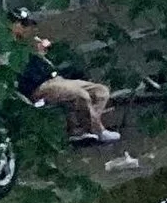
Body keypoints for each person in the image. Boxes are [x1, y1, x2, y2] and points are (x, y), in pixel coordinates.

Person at [9, 14, 119, 144]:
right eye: (24, 25)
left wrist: (44, 54)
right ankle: (98, 130)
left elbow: (54, 64)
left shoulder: (33, 42)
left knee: (100, 91)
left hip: (57, 79)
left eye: (29, 25)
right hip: (39, 86)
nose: (29, 28)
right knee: (80, 95)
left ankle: (83, 129)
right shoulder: (10, 47)